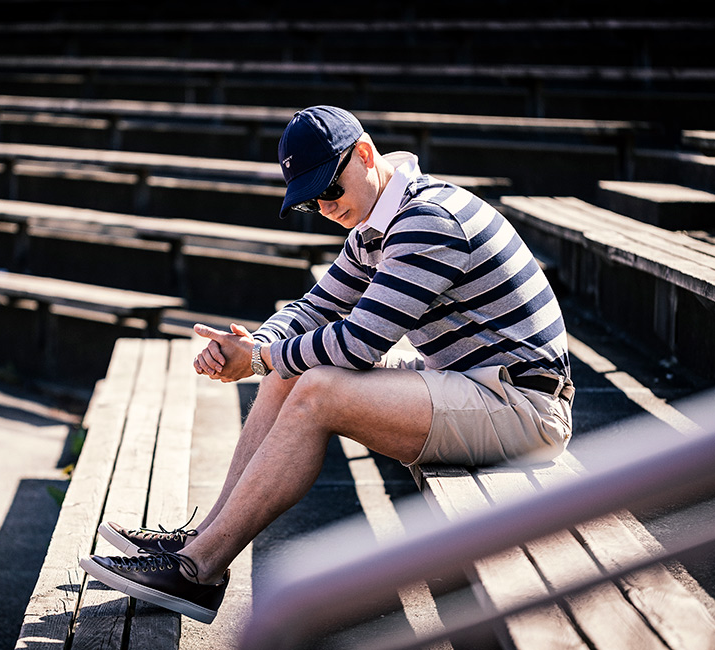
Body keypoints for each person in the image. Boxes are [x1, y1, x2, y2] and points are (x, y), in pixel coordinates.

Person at [80, 105, 574, 624]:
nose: (324, 206)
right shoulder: (378, 223)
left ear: (364, 155)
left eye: (330, 190)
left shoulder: (429, 220)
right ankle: (202, 539)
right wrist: (257, 344)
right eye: (311, 202)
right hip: (471, 384)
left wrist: (259, 360)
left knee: (318, 388)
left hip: (525, 408)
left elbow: (358, 343)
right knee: (293, 373)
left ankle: (197, 572)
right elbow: (313, 308)